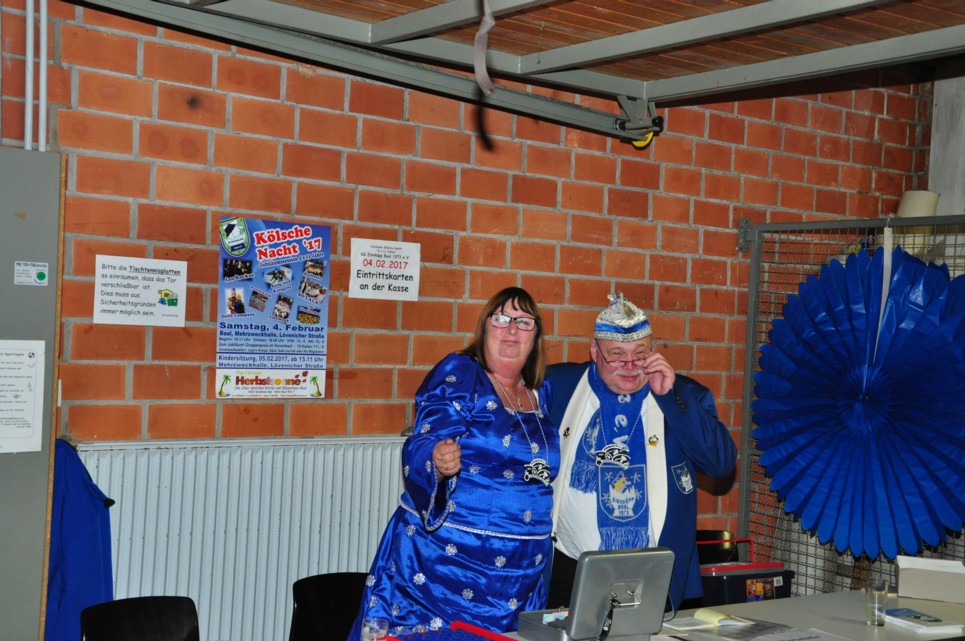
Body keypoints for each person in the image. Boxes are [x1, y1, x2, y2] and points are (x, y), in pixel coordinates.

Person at [349, 287, 559, 639]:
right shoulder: (461, 373)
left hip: (519, 576)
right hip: (449, 568)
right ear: (485, 327)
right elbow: (424, 437)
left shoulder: (541, 390)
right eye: (501, 319)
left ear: (536, 335)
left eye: (524, 322)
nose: (512, 329)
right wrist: (436, 457)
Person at [546, 293, 736, 612]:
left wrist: (670, 397)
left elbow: (720, 464)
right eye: (616, 355)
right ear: (594, 351)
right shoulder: (559, 385)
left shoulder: (683, 394)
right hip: (568, 569)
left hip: (652, 572)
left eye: (640, 354)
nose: (630, 366)